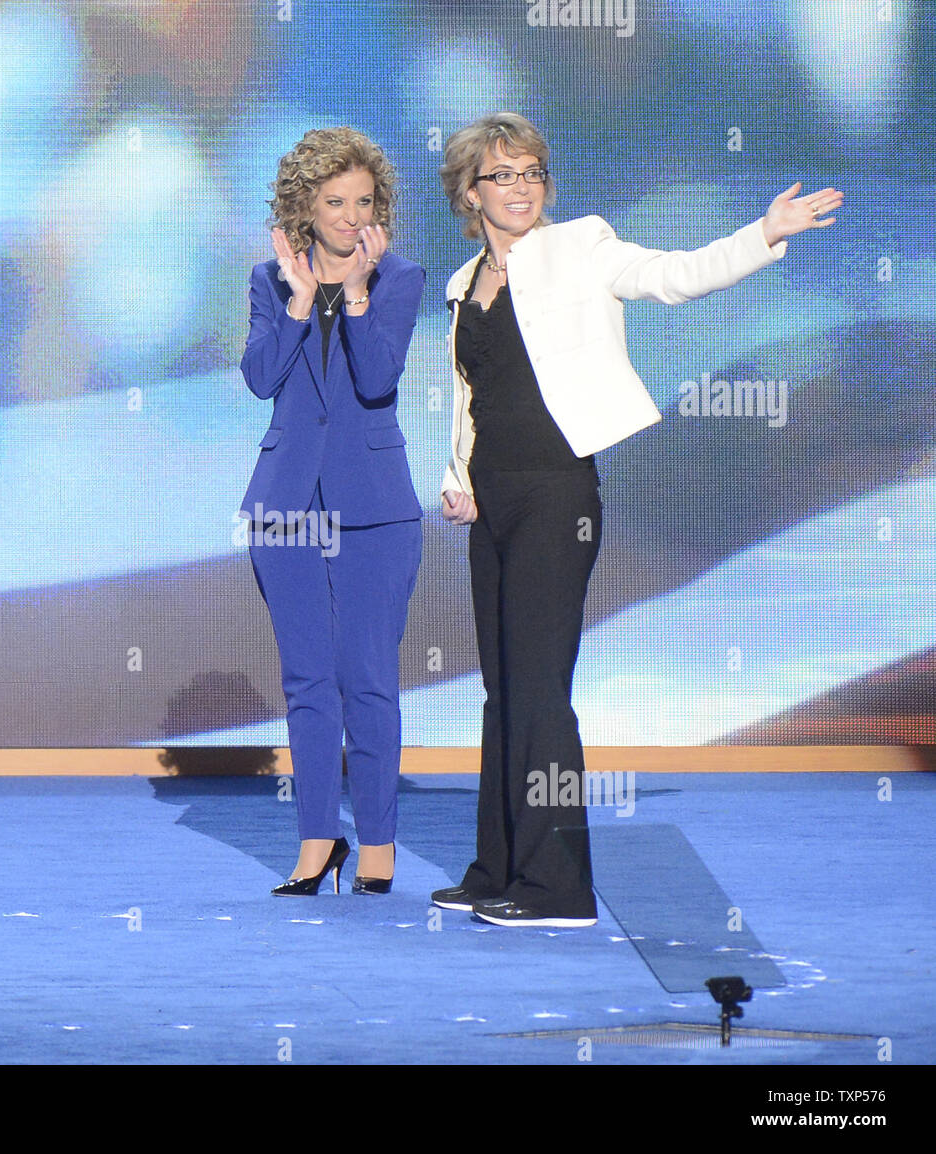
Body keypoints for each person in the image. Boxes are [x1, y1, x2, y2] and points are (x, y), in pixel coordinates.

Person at [432, 112, 842, 927]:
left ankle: (558, 889)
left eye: (531, 172)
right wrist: (457, 476)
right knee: (502, 688)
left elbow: (678, 274)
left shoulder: (581, 246)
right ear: (469, 192)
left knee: (541, 688)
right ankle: (500, 867)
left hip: (556, 494)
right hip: (494, 499)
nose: (520, 188)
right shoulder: (462, 282)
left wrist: (764, 232)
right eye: (502, 175)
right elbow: (473, 398)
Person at [239, 127, 426, 895]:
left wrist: (353, 296)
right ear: (303, 209)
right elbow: (258, 378)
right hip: (286, 505)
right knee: (308, 681)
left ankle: (376, 844)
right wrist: (301, 300)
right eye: (334, 202)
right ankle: (319, 841)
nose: (351, 216)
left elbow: (379, 377)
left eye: (364, 201)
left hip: (373, 507)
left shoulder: (401, 277)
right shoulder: (270, 279)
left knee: (368, 680)